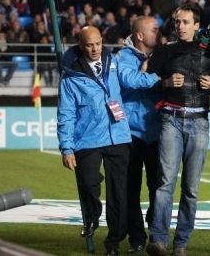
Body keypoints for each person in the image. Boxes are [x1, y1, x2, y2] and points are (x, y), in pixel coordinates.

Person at [145, 3, 210, 256]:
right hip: (170, 119)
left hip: (199, 121)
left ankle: (181, 243)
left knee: (191, 188)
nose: (180, 26)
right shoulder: (165, 50)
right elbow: (147, 80)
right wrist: (165, 82)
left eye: (185, 22)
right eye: (177, 22)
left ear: (196, 25)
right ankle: (158, 240)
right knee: (164, 183)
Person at [57, 26, 131, 256]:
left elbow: (132, 80)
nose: (95, 49)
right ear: (81, 46)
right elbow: (65, 113)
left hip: (117, 135)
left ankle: (114, 243)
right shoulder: (70, 74)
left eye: (98, 43)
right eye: (89, 45)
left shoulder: (114, 62)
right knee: (88, 182)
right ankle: (92, 216)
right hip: (87, 139)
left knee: (119, 192)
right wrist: (67, 148)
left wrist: (155, 77)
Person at [116, 16, 162, 254]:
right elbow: (128, 79)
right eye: (155, 29)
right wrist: (154, 76)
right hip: (131, 133)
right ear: (140, 36)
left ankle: (156, 232)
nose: (160, 32)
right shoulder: (123, 57)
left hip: (158, 132)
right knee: (130, 188)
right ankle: (137, 237)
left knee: (159, 187)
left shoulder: (162, 54)